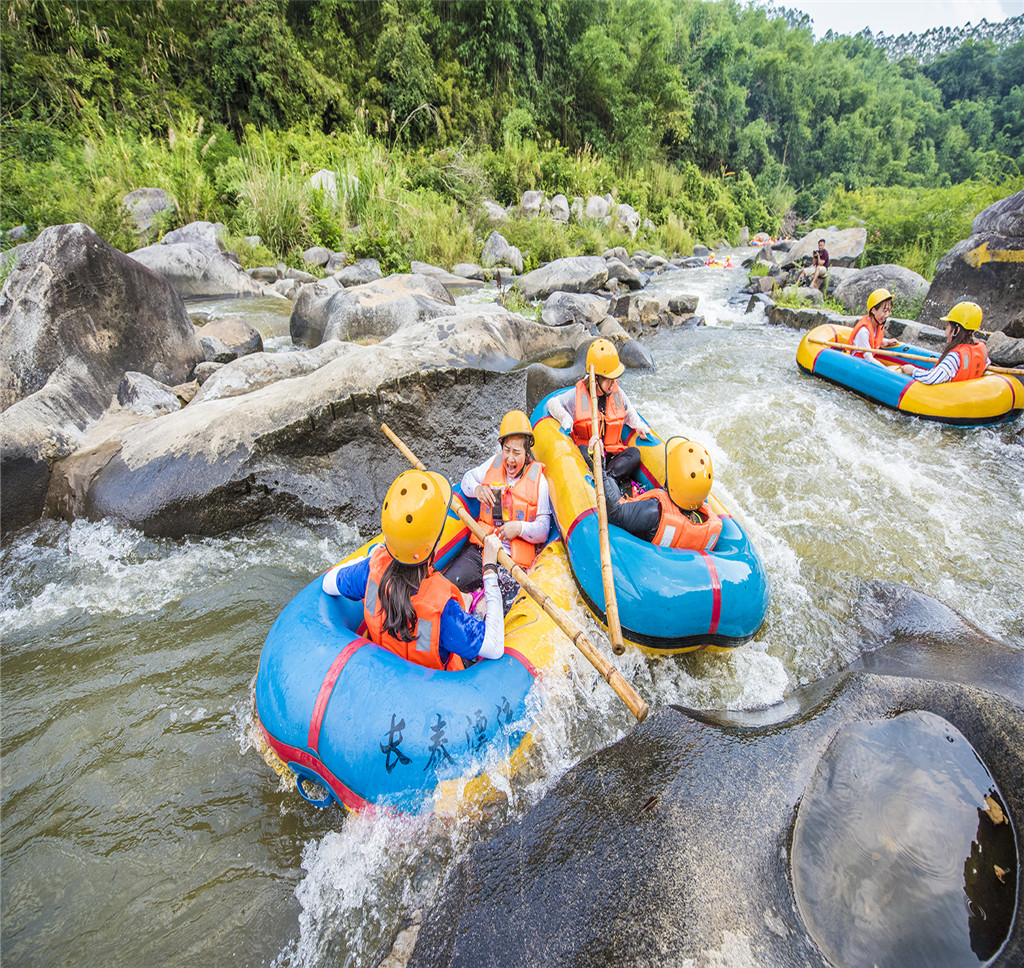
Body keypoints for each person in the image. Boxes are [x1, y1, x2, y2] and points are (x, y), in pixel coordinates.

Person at [322, 469, 505, 670]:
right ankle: (474, 601)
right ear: (434, 546)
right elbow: (494, 647)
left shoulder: (369, 571)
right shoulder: (443, 611)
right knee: (485, 609)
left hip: (385, 663)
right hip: (435, 685)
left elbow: (328, 583)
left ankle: (469, 599)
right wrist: (489, 568)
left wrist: (371, 556)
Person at [443, 410, 552, 608]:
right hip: (481, 548)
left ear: (527, 452)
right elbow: (467, 478)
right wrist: (477, 489)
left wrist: (519, 528)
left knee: (497, 612)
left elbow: (544, 529)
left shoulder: (540, 482)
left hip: (511, 562)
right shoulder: (493, 464)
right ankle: (473, 597)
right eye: (507, 450)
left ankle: (478, 599)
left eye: (517, 452)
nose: (510, 459)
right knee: (446, 588)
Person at [545, 338, 653, 489]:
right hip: (588, 453)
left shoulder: (615, 391)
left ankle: (606, 479)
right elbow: (552, 403)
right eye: (609, 379)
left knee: (634, 454)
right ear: (595, 379)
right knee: (582, 450)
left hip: (610, 458)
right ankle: (603, 481)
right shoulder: (577, 395)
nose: (613, 382)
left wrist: (639, 426)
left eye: (614, 378)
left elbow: (629, 411)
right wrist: (565, 418)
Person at [602, 439, 722, 551]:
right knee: (634, 453)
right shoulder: (705, 518)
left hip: (638, 548)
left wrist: (600, 470)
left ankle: (608, 472)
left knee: (609, 477)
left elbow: (614, 513)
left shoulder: (654, 511)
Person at [900, 301, 988, 384]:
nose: (945, 332)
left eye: (947, 326)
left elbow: (932, 378)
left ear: (956, 330)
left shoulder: (954, 358)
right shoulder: (981, 351)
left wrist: (913, 370)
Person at [850, 288, 899, 364]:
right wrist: (887, 370)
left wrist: (886, 342)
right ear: (873, 310)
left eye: (889, 311)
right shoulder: (863, 331)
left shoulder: (876, 325)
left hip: (866, 360)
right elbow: (868, 357)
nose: (887, 315)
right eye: (885, 311)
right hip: (858, 363)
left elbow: (874, 339)